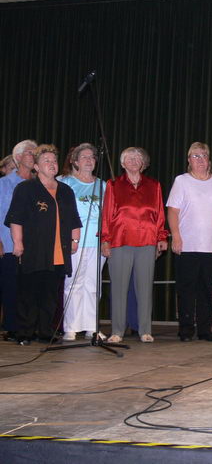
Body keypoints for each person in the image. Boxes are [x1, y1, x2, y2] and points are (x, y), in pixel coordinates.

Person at [5, 145, 82, 345]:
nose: (52, 164)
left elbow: (74, 219)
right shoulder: (26, 189)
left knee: (50, 295)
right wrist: (18, 243)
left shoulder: (65, 190)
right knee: (28, 293)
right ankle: (25, 333)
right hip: (33, 249)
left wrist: (74, 241)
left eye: (54, 161)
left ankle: (46, 332)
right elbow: (16, 219)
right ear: (37, 167)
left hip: (58, 251)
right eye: (46, 161)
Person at [167, 142, 212, 342]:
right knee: (186, 288)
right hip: (187, 245)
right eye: (195, 156)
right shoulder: (182, 181)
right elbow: (173, 211)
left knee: (207, 289)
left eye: (203, 155)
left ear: (209, 160)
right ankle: (186, 329)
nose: (200, 160)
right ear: (189, 160)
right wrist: (176, 236)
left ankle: (205, 329)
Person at [101, 147, 168, 344]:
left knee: (145, 287)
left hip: (147, 240)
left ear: (143, 163)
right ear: (122, 163)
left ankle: (145, 330)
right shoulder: (113, 185)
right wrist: (106, 239)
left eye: (137, 157)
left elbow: (159, 214)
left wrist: (161, 237)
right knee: (119, 288)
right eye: (128, 158)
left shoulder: (154, 186)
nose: (133, 160)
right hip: (120, 240)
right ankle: (117, 331)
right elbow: (106, 216)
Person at [59, 143, 106, 340]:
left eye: (92, 157)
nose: (89, 160)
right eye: (84, 157)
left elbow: (108, 216)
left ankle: (91, 326)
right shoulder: (65, 182)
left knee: (93, 285)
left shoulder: (103, 185)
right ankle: (71, 326)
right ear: (75, 161)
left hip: (97, 242)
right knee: (73, 283)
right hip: (74, 241)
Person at [0, 140, 37, 342]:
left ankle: (30, 327)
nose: (33, 156)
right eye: (29, 153)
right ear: (18, 158)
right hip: (7, 245)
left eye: (35, 153)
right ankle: (13, 328)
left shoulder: (40, 184)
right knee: (11, 287)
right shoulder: (3, 184)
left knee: (30, 288)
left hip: (35, 248)